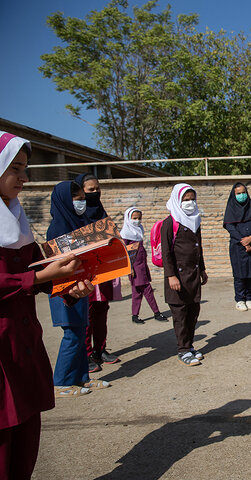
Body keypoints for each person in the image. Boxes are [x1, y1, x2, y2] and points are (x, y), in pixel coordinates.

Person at [0, 132, 94, 480]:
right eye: (16, 169)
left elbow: (39, 273)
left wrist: (71, 287)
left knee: (25, 439)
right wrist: (39, 280)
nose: (24, 178)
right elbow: (31, 278)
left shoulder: (17, 220)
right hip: (1, 349)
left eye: (26, 169)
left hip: (21, 346)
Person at [47, 180, 110, 396]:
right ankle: (62, 382)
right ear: (65, 201)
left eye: (83, 198)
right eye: (77, 199)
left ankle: (82, 378)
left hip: (81, 285)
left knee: (81, 331)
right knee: (72, 335)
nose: (82, 203)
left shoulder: (78, 224)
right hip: (65, 290)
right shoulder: (57, 228)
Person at [75, 173, 119, 372]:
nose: (95, 193)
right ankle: (85, 353)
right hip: (85, 273)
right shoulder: (76, 218)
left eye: (97, 189)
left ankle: (100, 350)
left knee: (102, 310)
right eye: (90, 190)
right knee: (87, 313)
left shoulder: (101, 213)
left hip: (103, 271)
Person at [162, 183, 208, 366]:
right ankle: (182, 350)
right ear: (177, 201)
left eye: (192, 199)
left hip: (193, 274)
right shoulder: (169, 222)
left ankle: (189, 346)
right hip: (177, 277)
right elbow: (166, 252)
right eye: (185, 200)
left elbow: (199, 248)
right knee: (180, 315)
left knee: (193, 312)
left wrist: (202, 269)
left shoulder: (195, 220)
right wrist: (170, 276)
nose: (189, 203)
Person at [119, 207, 167, 324]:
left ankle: (135, 315)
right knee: (147, 289)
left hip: (142, 264)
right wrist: (129, 268)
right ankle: (156, 313)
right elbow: (124, 253)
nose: (137, 221)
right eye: (134, 218)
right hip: (135, 267)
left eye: (139, 218)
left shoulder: (139, 229)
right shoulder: (125, 233)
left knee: (137, 291)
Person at [223, 182, 251, 311]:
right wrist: (242, 240)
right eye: (238, 193)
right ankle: (240, 299)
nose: (241, 195)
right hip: (237, 246)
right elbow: (230, 226)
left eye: (243, 192)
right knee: (240, 274)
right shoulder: (231, 209)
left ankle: (249, 298)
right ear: (234, 195)